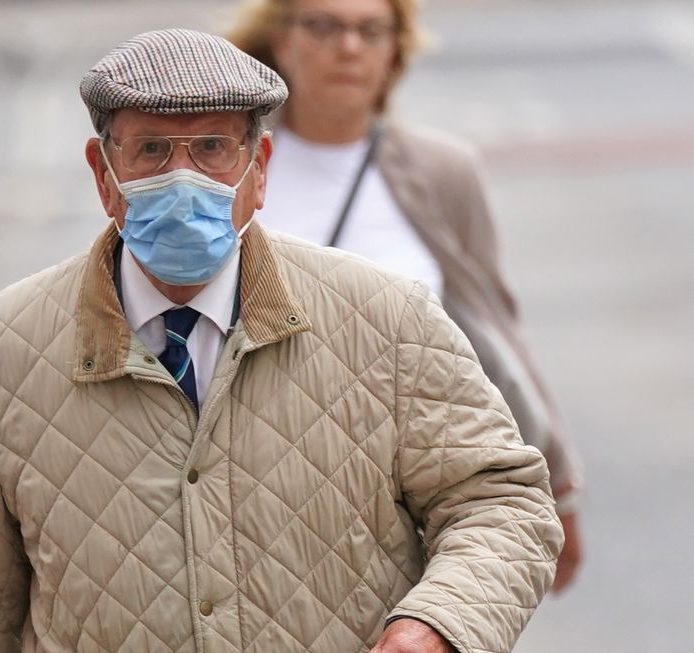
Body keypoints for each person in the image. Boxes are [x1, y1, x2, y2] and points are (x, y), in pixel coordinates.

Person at [0, 29, 562, 653]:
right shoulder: (2, 351)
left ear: (259, 168)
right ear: (104, 175)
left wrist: (438, 623)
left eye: (213, 148)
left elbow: (501, 499)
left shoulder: (387, 317)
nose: (184, 181)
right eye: (153, 151)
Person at [227, 0, 584, 593]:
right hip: (259, 477)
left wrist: (560, 482)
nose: (349, 48)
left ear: (396, 50)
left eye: (371, 30)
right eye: (324, 26)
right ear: (279, 41)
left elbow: (492, 330)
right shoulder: (229, 161)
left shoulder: (443, 170)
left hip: (406, 483)